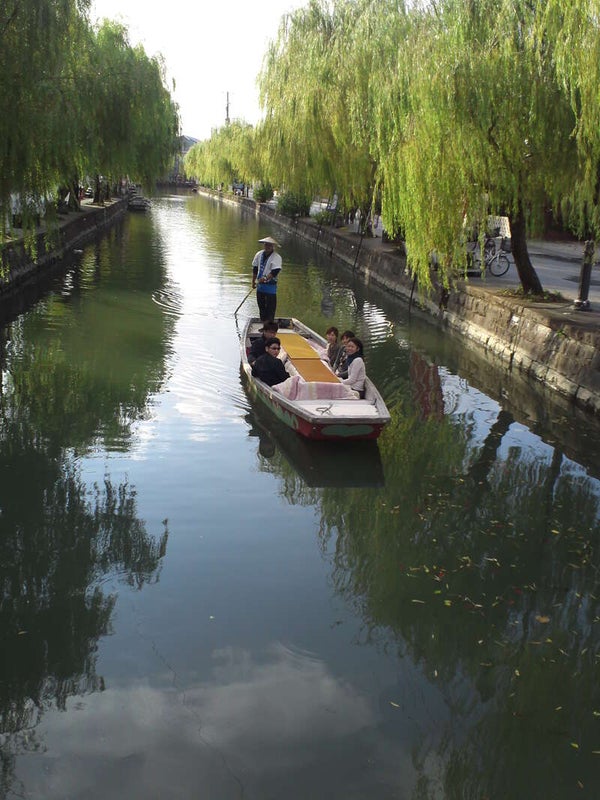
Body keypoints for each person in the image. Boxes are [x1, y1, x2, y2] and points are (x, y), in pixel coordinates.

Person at [252, 236, 282, 322]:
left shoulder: (276, 257)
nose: (267, 247)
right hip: (260, 286)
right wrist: (253, 281)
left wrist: (265, 278)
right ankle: (263, 325)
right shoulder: (258, 254)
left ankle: (269, 328)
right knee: (261, 308)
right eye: (266, 245)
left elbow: (275, 271)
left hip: (270, 288)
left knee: (270, 309)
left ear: (273, 246)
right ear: (264, 245)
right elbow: (255, 268)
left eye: (270, 245)